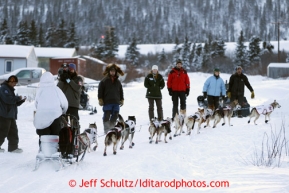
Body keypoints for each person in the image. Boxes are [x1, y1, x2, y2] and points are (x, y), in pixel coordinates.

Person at [33, 72, 68, 142]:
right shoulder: (56, 89)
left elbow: (36, 103)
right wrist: (64, 112)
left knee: (43, 137)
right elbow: (64, 103)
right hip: (55, 116)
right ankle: (54, 150)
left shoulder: (39, 90)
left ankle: (42, 149)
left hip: (41, 117)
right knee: (55, 135)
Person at [0, 75, 26, 153]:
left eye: (15, 82)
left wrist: (21, 101)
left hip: (10, 115)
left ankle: (13, 148)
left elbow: (13, 103)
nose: (14, 84)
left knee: (13, 132)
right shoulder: (4, 89)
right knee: (3, 131)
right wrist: (18, 98)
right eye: (13, 82)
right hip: (4, 115)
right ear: (8, 81)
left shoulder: (10, 90)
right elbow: (8, 100)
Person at [98, 63, 124, 134]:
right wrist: (100, 99)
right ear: (109, 72)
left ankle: (112, 128)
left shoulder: (118, 82)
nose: (112, 72)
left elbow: (121, 91)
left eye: (114, 71)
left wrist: (122, 99)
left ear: (116, 72)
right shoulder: (104, 81)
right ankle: (106, 130)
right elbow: (100, 90)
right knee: (107, 115)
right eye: (111, 71)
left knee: (115, 116)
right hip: (107, 101)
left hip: (116, 102)